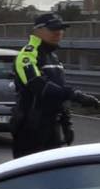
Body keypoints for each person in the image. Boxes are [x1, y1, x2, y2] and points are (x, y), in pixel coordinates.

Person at [11, 12, 99, 159]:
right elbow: (40, 87)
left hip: (52, 126)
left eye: (61, 29)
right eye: (53, 29)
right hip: (30, 127)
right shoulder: (27, 55)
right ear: (38, 31)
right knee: (30, 178)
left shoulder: (54, 57)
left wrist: (66, 123)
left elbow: (59, 92)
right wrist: (75, 95)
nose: (58, 33)